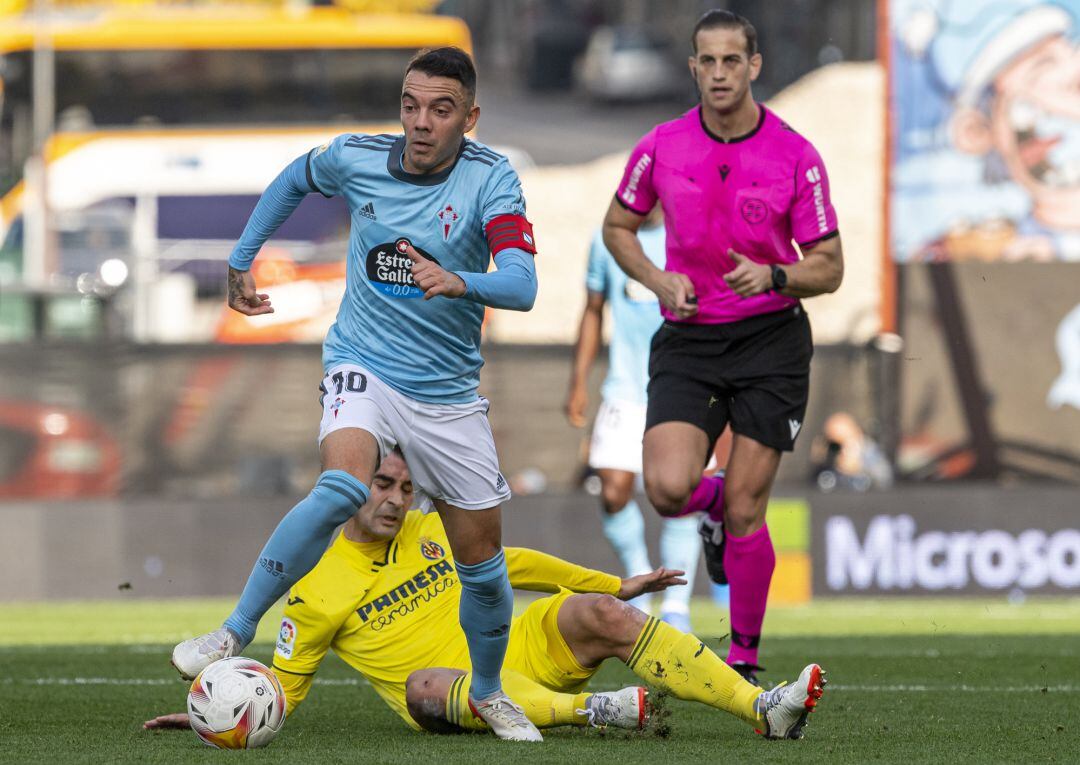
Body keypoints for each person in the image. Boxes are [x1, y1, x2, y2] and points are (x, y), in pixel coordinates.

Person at [171, 47, 544, 740]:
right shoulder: (358, 156)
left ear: (471, 116)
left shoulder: (493, 179)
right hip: (362, 361)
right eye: (411, 105)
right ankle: (233, 629)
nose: (421, 122)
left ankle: (488, 691)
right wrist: (242, 256)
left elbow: (522, 283)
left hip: (446, 391)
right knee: (343, 486)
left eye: (440, 109)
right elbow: (294, 178)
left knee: (484, 570)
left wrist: (462, 280)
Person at [147, 450, 827, 740]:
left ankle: (761, 707)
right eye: (382, 483)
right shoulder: (312, 588)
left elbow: (515, 561)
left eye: (406, 488)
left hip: (515, 648)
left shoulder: (429, 530)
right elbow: (285, 688)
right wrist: (224, 712)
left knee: (604, 616)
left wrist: (611, 582)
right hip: (444, 690)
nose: (395, 498)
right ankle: (594, 711)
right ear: (354, 485)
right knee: (420, 684)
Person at [602, 10, 844, 684]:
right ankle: (707, 510)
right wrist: (657, 277)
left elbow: (829, 266)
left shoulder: (796, 155)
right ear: (692, 68)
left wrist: (774, 273)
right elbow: (617, 225)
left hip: (771, 339)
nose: (718, 74)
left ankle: (742, 657)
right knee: (668, 488)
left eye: (731, 61)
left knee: (748, 506)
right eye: (706, 61)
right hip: (690, 335)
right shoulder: (661, 144)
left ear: (754, 65)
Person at [564, 207, 701, 631]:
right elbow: (592, 309)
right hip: (624, 389)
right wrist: (578, 380)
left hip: (682, 385)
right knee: (612, 491)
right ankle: (643, 575)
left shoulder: (691, 237)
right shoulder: (608, 240)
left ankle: (676, 606)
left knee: (680, 497)